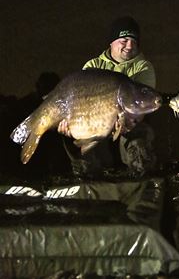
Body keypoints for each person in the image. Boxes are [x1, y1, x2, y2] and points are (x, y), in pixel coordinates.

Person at [58, 16, 157, 177]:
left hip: (129, 125)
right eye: (124, 40)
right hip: (95, 123)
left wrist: (127, 121)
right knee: (70, 138)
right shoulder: (93, 66)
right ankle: (89, 177)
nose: (130, 46)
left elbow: (140, 109)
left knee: (140, 134)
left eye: (134, 41)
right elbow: (78, 104)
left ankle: (139, 179)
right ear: (112, 42)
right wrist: (70, 125)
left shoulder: (143, 67)